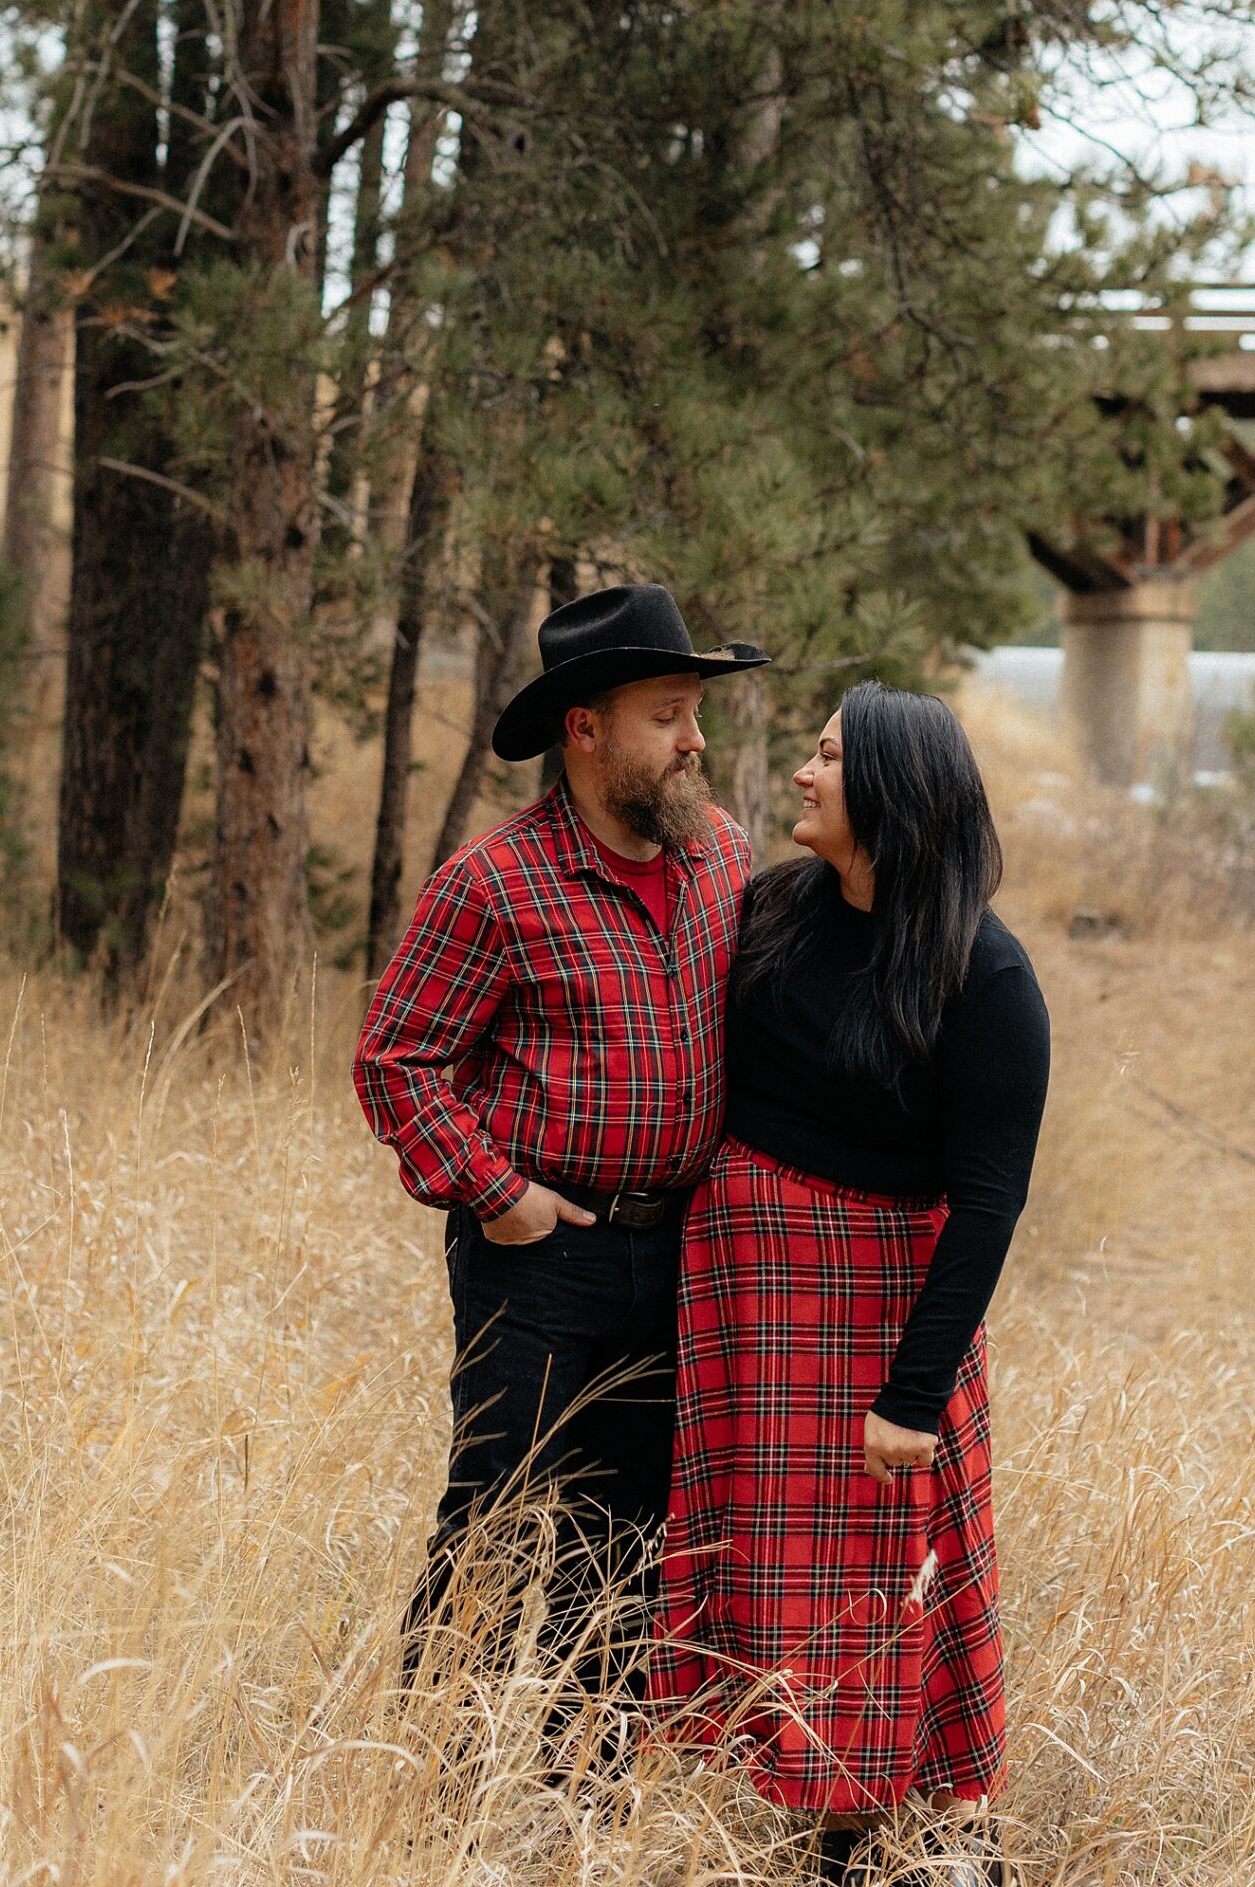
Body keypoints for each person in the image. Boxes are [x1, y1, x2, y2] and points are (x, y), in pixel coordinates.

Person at [648, 682, 1050, 1876]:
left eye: (827, 755)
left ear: (887, 787)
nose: (806, 772)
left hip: (880, 1336)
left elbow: (987, 1205)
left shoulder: (985, 975)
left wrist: (914, 1397)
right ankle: (812, 1813)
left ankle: (920, 1852)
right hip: (750, 1320)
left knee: (887, 1597)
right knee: (774, 1582)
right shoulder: (777, 906)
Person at [353, 582, 768, 1690]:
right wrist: (498, 1193)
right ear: (585, 729)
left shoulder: (723, 856)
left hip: (677, 1251)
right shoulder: (495, 884)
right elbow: (393, 1060)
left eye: (693, 711)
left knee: (627, 1545)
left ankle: (578, 1797)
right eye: (668, 714)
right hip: (539, 1256)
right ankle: (435, 1790)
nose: (695, 738)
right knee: (494, 1517)